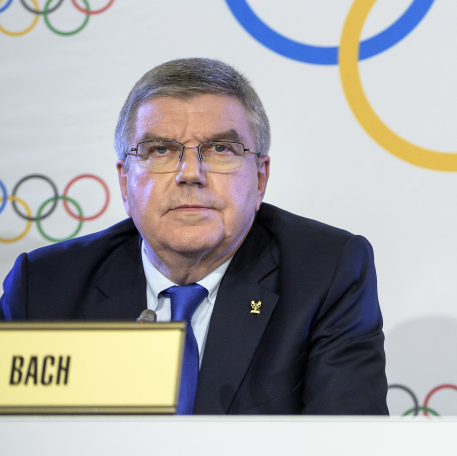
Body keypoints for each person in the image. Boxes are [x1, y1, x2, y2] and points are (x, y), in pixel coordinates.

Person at [0, 58, 389, 414]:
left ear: (260, 178)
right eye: (160, 149)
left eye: (221, 148)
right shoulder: (45, 286)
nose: (190, 172)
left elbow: (347, 445)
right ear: (124, 180)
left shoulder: (325, 273)